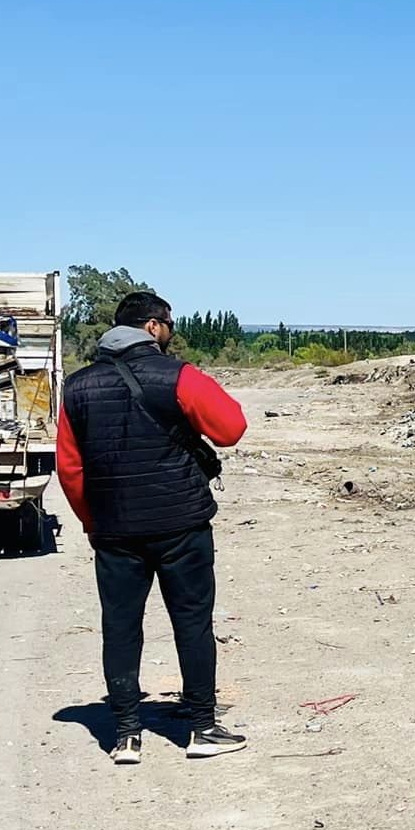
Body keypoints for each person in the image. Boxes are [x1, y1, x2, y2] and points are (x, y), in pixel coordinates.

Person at [57, 291, 249, 765]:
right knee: (192, 622)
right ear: (153, 328)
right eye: (169, 324)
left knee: (120, 627)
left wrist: (91, 520)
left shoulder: (77, 387)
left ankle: (125, 735)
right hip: (181, 523)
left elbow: (70, 468)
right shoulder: (179, 376)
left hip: (114, 530)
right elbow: (231, 429)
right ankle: (202, 727)